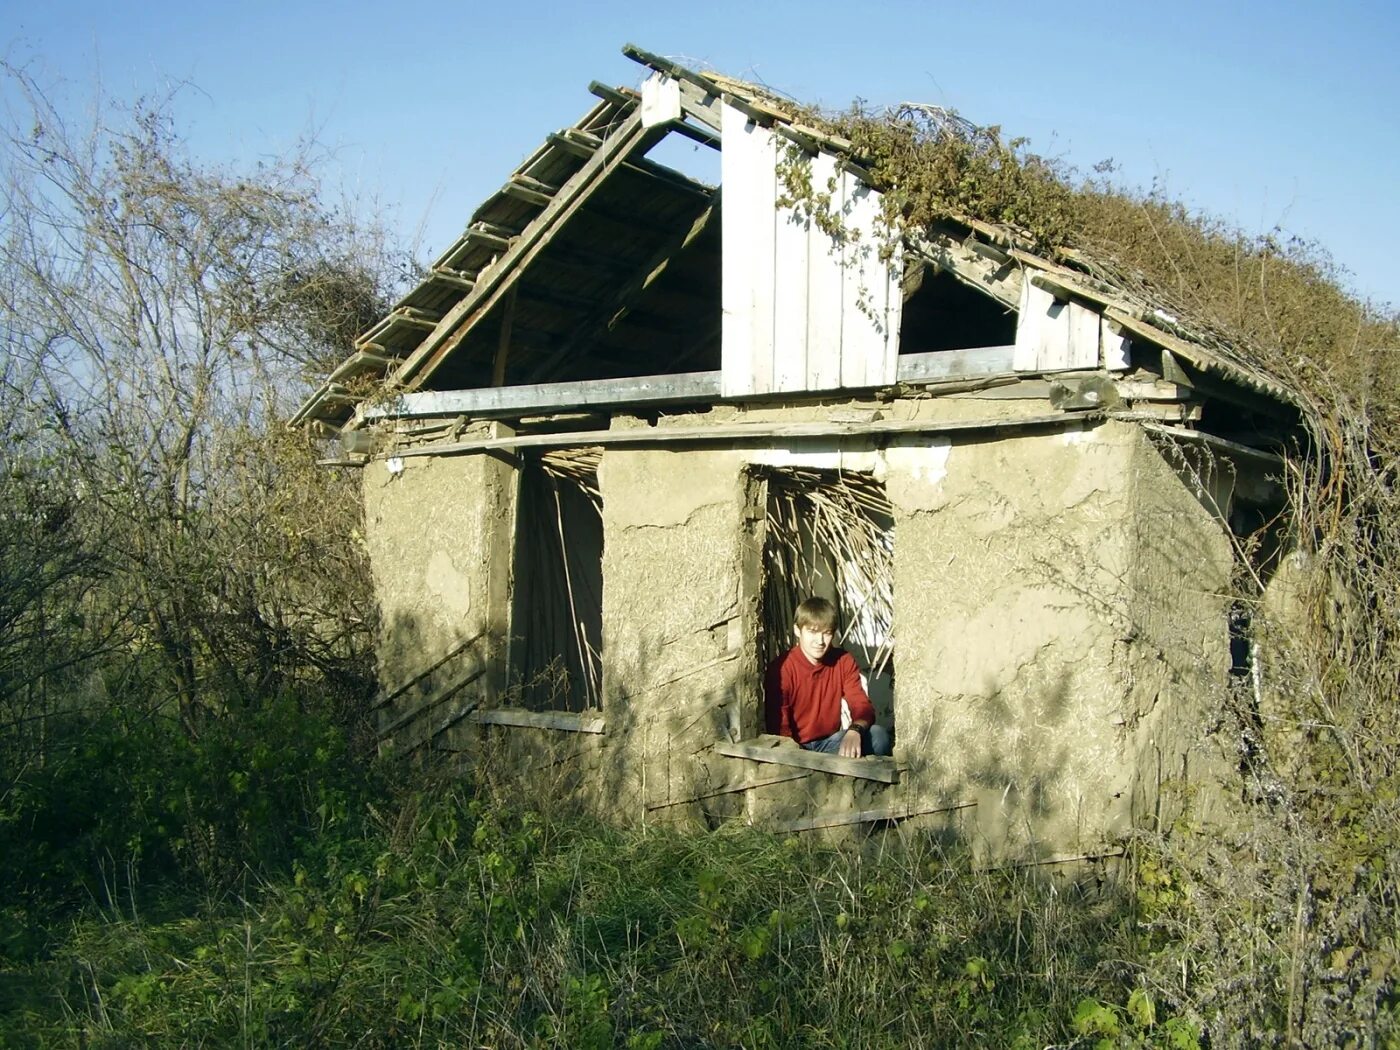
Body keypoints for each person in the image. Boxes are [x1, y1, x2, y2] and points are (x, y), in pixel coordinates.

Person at [764, 597, 892, 758]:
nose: (820, 641)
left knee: (878, 737)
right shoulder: (782, 668)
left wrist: (855, 730)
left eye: (827, 633)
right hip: (796, 748)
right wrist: (794, 757)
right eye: (812, 632)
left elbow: (861, 705)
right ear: (797, 630)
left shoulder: (842, 661)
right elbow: (780, 728)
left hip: (830, 744)